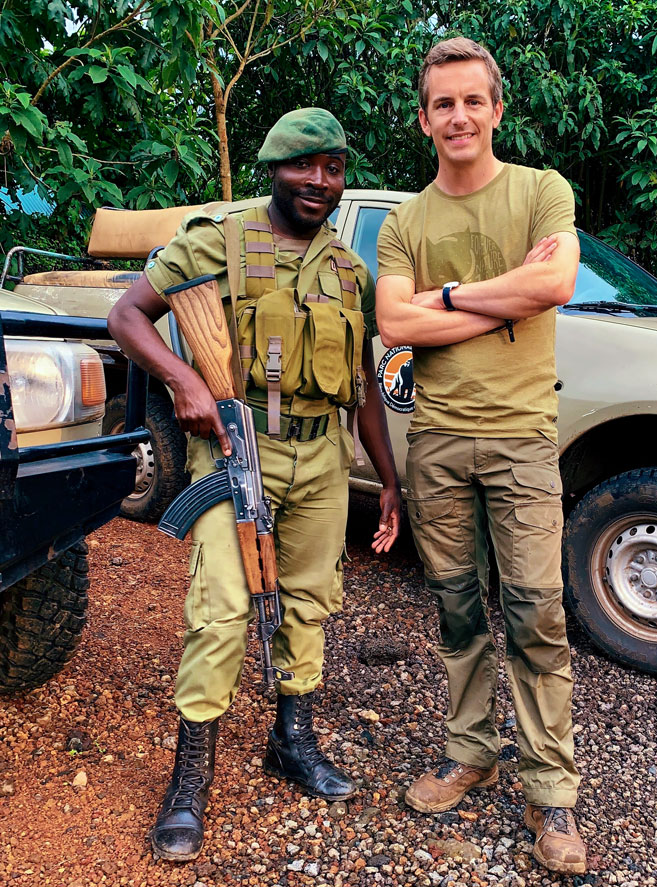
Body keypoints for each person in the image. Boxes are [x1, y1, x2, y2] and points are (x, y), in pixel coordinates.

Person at [108, 108, 401, 862]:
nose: (319, 182)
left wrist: (389, 481)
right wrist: (181, 379)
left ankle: (290, 740)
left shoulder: (348, 270)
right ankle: (189, 777)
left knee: (307, 602)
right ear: (275, 167)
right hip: (238, 446)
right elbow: (127, 315)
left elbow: (362, 383)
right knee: (221, 609)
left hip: (324, 459)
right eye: (304, 167)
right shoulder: (220, 239)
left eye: (332, 169)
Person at [376, 38, 586, 875]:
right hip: (436, 440)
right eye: (442, 104)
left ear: (496, 109)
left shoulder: (541, 192)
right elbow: (394, 323)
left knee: (536, 611)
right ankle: (472, 750)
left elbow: (554, 284)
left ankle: (552, 790)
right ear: (424, 119)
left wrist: (445, 299)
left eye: (472, 101)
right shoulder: (404, 221)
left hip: (521, 437)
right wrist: (498, 297)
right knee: (456, 610)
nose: (457, 116)